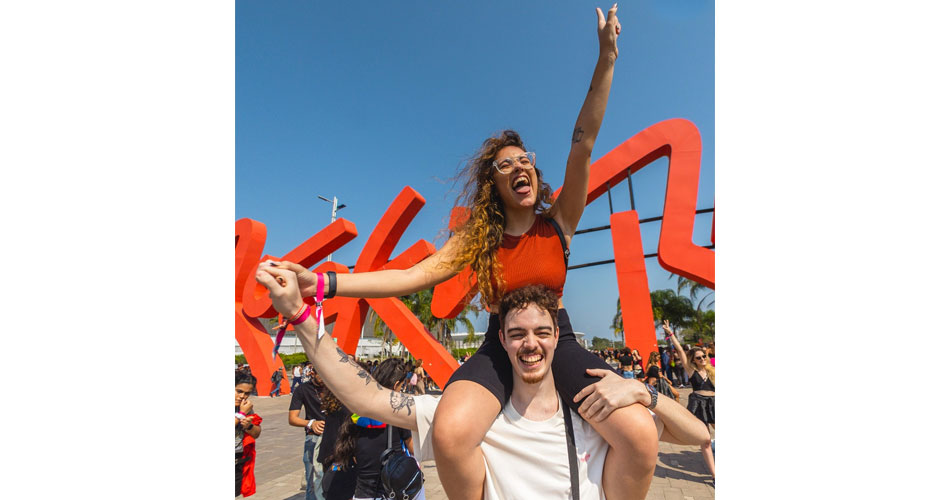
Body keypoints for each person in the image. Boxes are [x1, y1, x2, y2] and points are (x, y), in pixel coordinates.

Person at [270, 6, 651, 500]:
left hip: (559, 338)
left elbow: (583, 141)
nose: (520, 167)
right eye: (505, 164)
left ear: (535, 173)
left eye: (525, 160)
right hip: (499, 345)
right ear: (494, 184)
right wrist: (323, 283)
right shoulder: (479, 240)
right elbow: (411, 275)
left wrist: (606, 57)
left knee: (639, 433)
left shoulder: (559, 223)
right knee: (450, 432)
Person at [256, 266, 710, 499]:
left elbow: (698, 435)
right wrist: (300, 316)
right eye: (517, 334)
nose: (529, 345)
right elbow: (370, 397)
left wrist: (641, 391)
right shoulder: (475, 420)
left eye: (540, 333)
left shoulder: (594, 410)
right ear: (503, 342)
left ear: (558, 339)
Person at [323, 359, 417, 500]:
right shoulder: (395, 412)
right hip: (391, 486)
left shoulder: (359, 407)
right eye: (402, 386)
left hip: (363, 488)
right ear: (396, 384)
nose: (401, 390)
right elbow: (412, 447)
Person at [664, 320, 715, 479]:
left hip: (715, 404)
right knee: (705, 440)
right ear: (693, 360)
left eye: (704, 356)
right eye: (699, 358)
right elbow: (679, 350)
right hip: (698, 404)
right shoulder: (691, 371)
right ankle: (715, 476)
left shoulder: (713, 371)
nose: (703, 359)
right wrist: (670, 333)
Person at [289, 370, 328, 500]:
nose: (323, 377)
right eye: (320, 373)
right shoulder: (303, 389)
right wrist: (311, 423)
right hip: (314, 437)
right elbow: (292, 418)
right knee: (312, 479)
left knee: (332, 478)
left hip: (335, 438)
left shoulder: (335, 387)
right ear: (312, 372)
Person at [236, 371, 262, 497]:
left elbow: (256, 433)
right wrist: (241, 414)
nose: (242, 396)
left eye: (247, 393)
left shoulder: (245, 407)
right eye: (239, 391)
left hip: (238, 460)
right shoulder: (243, 409)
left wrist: (249, 426)